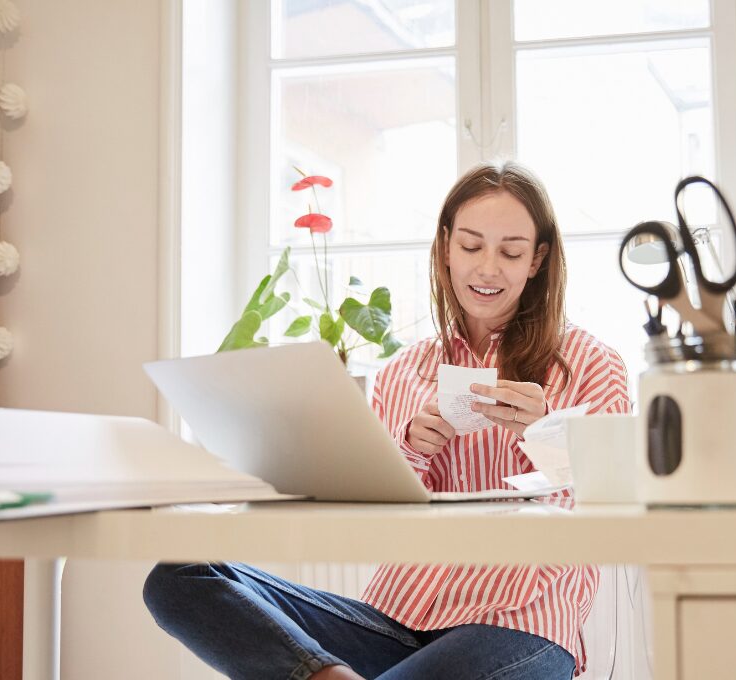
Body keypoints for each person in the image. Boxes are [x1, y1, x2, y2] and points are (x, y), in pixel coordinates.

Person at [143, 161, 630, 680]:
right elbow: (375, 515)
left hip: (521, 623)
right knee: (177, 578)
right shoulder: (404, 371)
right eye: (470, 246)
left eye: (510, 252)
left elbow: (616, 499)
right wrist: (412, 450)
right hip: (395, 619)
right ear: (445, 248)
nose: (488, 268)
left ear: (536, 259)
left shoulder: (592, 364)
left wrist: (550, 434)